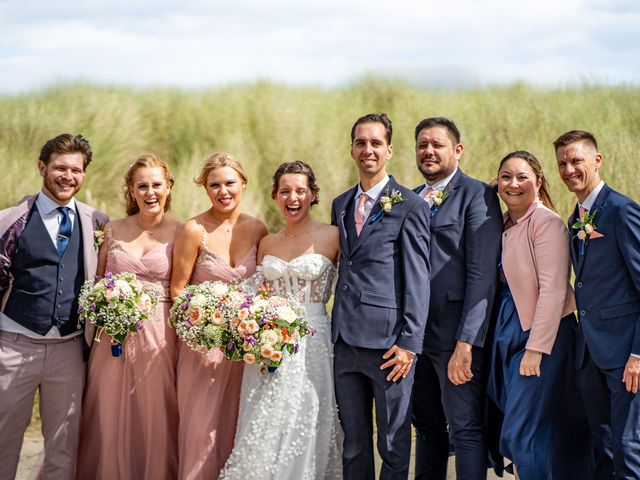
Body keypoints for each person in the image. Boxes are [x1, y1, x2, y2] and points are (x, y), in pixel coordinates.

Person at [220, 160, 343, 479]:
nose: (293, 198)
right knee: (265, 423)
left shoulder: (333, 237)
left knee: (307, 417)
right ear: (275, 196)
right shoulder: (267, 243)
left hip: (314, 343)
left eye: (301, 191)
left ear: (313, 195)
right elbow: (255, 294)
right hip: (269, 346)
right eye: (285, 191)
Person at [0, 133, 108, 479]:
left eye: (76, 170)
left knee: (63, 446)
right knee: (3, 442)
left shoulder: (97, 222)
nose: (68, 176)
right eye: (60, 168)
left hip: (68, 349)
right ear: (42, 167)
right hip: (14, 346)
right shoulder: (10, 220)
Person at [331, 113, 430, 479]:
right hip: (344, 343)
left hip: (390, 347)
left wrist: (409, 343)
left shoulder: (410, 205)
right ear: (351, 149)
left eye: (375, 143)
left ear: (389, 150)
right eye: (360, 142)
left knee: (392, 442)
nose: (367, 149)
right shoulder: (340, 205)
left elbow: (419, 281)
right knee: (354, 442)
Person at [487, 150, 591, 478]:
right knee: (527, 429)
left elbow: (554, 290)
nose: (513, 184)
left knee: (522, 431)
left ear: (539, 181)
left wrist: (536, 348)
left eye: (522, 177)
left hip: (542, 338)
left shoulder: (546, 223)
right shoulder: (504, 222)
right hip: (505, 334)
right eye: (506, 177)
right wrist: (494, 191)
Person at [76, 154, 180, 479]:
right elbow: (96, 281)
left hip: (161, 333)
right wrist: (105, 305)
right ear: (132, 191)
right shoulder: (113, 229)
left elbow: (185, 284)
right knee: (106, 409)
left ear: (168, 187)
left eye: (156, 185)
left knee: (157, 412)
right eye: (142, 186)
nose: (150, 193)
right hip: (112, 334)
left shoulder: (182, 231)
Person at [410, 117, 502, 480]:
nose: (429, 151)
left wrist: (467, 342)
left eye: (437, 145)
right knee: (427, 427)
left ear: (457, 151)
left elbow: (482, 278)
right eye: (422, 145)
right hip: (412, 338)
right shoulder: (409, 196)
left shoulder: (478, 195)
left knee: (464, 429)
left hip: (454, 338)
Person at [170, 152, 268, 480]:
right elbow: (178, 291)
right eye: (214, 185)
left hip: (244, 348)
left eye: (230, 183)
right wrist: (207, 323)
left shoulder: (258, 228)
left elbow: (264, 287)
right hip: (202, 347)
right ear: (205, 188)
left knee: (237, 427)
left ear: (243, 183)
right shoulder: (193, 229)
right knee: (200, 431)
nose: (223, 191)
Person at [554, 130, 640, 478]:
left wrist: (638, 354)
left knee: (628, 445)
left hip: (624, 354)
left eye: (576, 160)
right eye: (562, 163)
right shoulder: (576, 218)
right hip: (589, 353)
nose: (569, 169)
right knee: (601, 444)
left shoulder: (622, 211)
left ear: (597, 160)